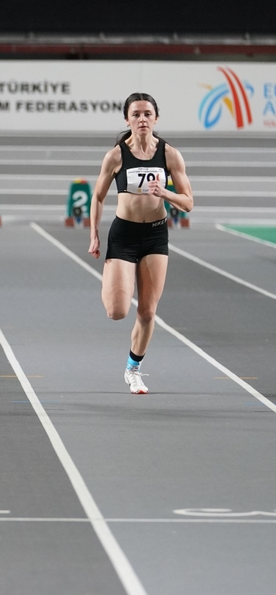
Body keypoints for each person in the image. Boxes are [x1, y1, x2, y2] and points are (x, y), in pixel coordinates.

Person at [89, 93, 193, 394]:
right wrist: (94, 234)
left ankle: (133, 369)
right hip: (124, 234)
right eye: (136, 114)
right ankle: (112, 280)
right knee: (117, 311)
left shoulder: (170, 155)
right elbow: (98, 196)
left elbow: (188, 202)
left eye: (147, 113)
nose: (142, 119)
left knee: (148, 311)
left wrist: (166, 193)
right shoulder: (116, 156)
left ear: (156, 118)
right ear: (127, 119)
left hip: (156, 234)